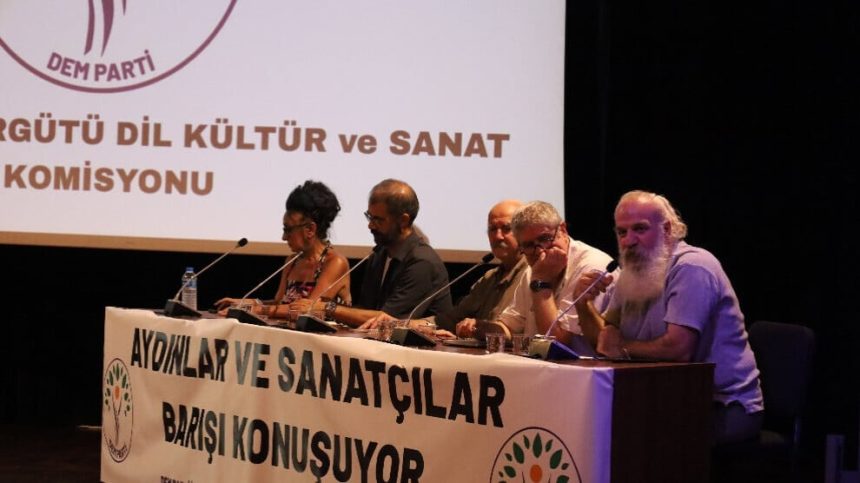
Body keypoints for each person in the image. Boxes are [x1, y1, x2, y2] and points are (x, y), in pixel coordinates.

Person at [573, 190, 763, 444]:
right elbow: (605, 342)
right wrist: (583, 305)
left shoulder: (692, 267)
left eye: (640, 229)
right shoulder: (632, 272)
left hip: (723, 406)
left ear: (667, 229)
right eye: (622, 232)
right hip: (664, 397)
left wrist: (622, 347)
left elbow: (678, 349)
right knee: (586, 424)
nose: (629, 240)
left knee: (627, 439)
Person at [290, 179, 452, 327]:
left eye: (378, 220)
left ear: (403, 220)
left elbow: (387, 319)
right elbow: (366, 309)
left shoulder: (422, 262)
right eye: (369, 217)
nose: (370, 226)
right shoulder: (380, 254)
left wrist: (328, 308)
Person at [363, 199, 529, 335]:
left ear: (523, 232)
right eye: (492, 229)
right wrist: (398, 324)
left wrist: (479, 328)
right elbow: (448, 321)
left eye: (506, 228)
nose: (498, 236)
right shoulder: (489, 278)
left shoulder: (531, 276)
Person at [215, 180, 350, 318]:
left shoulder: (335, 263)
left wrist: (254, 310)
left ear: (310, 229)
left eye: (288, 229)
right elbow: (280, 304)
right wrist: (246, 303)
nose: (284, 237)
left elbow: (308, 310)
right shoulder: (292, 261)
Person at [496, 201, 615, 345]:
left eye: (545, 239)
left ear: (563, 230)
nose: (540, 251)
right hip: (537, 359)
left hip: (580, 360)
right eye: (528, 245)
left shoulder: (592, 266)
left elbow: (557, 344)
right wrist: (479, 328)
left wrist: (541, 282)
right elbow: (510, 326)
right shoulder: (535, 269)